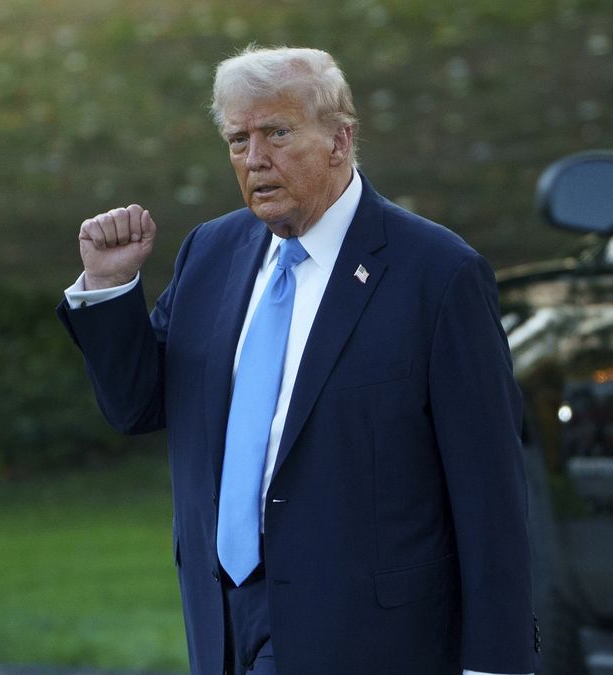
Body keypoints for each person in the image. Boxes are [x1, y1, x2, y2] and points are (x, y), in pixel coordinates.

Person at [57, 45, 540, 675]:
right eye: (238, 140)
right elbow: (136, 406)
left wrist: (495, 664)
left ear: (340, 140)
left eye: (277, 133)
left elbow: (490, 491)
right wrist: (110, 288)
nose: (255, 158)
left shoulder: (439, 274)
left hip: (367, 633)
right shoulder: (210, 252)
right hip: (222, 618)